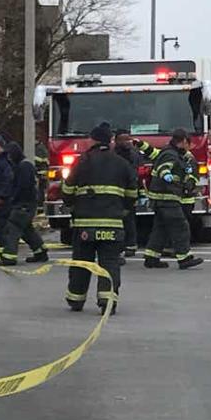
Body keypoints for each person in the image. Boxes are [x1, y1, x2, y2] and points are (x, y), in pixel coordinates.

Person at [60, 124, 138, 314]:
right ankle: (107, 302)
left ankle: (76, 299)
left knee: (81, 262)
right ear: (110, 141)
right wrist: (124, 210)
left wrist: (71, 202)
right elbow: (132, 194)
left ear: (93, 140)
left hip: (85, 225)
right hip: (112, 224)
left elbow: (67, 190)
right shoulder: (122, 164)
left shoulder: (83, 161)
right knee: (110, 263)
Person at [143, 129, 203, 270]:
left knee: (161, 228)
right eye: (188, 143)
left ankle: (151, 257)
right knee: (180, 226)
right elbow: (164, 168)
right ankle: (184, 258)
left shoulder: (172, 153)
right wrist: (166, 176)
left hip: (162, 198)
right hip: (167, 197)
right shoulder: (171, 154)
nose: (189, 147)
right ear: (183, 141)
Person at [0, 141, 49, 266]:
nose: (9, 158)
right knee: (26, 229)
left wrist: (13, 198)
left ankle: (9, 257)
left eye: (10, 155)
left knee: (13, 228)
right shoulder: (22, 166)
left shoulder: (24, 167)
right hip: (26, 204)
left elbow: (23, 187)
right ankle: (40, 252)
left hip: (24, 204)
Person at [114, 129, 144, 257]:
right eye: (123, 139)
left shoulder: (135, 154)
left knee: (130, 220)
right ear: (116, 141)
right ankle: (119, 245)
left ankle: (131, 245)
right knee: (117, 221)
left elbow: (139, 173)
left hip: (130, 191)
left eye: (128, 139)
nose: (127, 142)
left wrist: (140, 192)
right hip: (116, 192)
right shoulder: (112, 155)